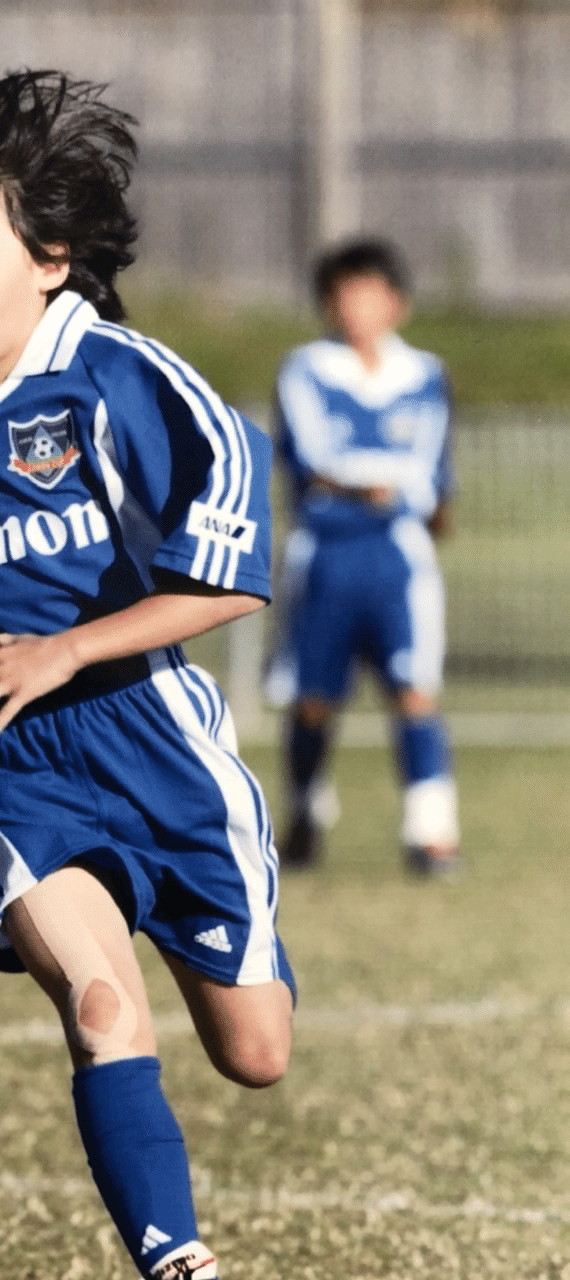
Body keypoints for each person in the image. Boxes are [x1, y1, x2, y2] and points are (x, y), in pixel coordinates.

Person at [0, 70, 294, 1280]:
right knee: (100, 1007)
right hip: (11, 766)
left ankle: (169, 909)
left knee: (257, 1052)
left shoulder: (118, 381)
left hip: (153, 745)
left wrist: (69, 647)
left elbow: (232, 577)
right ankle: (180, 1272)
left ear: (49, 262)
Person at [268, 236, 460, 874]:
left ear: (397, 303)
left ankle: (431, 834)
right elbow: (316, 460)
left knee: (414, 690)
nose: (358, 308)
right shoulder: (306, 370)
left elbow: (430, 475)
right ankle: (305, 813)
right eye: (345, 295)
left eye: (372, 294)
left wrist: (395, 488)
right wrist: (378, 482)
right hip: (325, 555)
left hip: (398, 559)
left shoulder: (424, 375)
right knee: (315, 697)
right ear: (328, 304)